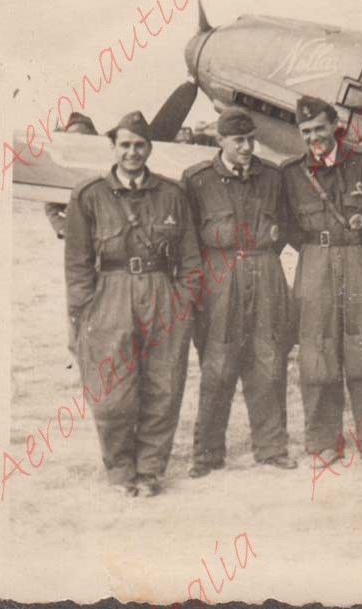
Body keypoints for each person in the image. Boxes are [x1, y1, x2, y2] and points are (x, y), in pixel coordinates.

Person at [64, 111, 201, 497]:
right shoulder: (89, 195)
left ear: (150, 148)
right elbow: (76, 264)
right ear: (112, 147)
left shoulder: (172, 194)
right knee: (112, 394)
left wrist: (184, 302)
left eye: (139, 145)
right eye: (125, 145)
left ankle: (150, 471)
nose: (132, 152)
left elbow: (190, 257)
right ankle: (121, 470)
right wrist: (83, 313)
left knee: (163, 386)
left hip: (162, 292)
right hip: (110, 292)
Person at [182, 108, 297, 478]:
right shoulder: (198, 179)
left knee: (268, 360)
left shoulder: (273, 177)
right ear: (220, 140)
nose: (247, 147)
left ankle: (272, 447)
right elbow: (188, 237)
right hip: (219, 276)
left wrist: (259, 258)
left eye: (251, 139)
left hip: (264, 271)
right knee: (217, 364)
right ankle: (207, 453)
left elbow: (284, 226)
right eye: (238, 141)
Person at [281, 96, 362, 467]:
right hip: (315, 262)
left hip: (360, 258)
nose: (314, 136)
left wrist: (359, 251)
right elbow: (287, 225)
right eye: (306, 131)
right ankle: (324, 442)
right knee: (317, 351)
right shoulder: (292, 173)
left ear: (335, 126)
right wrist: (319, 250)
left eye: (319, 128)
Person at [46, 112, 99, 239]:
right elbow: (51, 205)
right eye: (72, 139)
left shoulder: (103, 164)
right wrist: (63, 228)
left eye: (83, 139)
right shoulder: (63, 169)